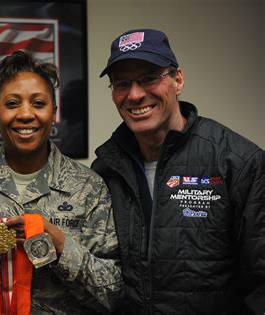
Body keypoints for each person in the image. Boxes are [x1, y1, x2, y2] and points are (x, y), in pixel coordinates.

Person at [0, 50, 123, 314]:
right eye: (12, 104)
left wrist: (61, 247)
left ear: (53, 112)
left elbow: (112, 291)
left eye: (38, 103)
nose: (25, 114)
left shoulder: (89, 187)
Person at [91, 28, 265, 314]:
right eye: (122, 83)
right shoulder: (106, 169)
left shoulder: (238, 162)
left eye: (149, 78)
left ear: (178, 80)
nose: (135, 95)